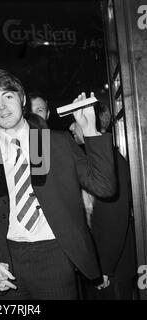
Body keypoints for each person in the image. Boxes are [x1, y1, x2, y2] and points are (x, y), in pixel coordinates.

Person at [0, 68, 116, 300]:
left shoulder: (51, 143)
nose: (2, 107)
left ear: (23, 99)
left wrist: (89, 130)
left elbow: (105, 187)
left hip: (54, 258)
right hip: (7, 264)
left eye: (8, 96)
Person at [69, 105, 137, 300]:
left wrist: (104, 267)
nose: (72, 128)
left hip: (111, 269)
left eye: (75, 121)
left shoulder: (109, 161)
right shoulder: (101, 158)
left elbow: (113, 218)